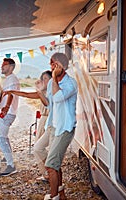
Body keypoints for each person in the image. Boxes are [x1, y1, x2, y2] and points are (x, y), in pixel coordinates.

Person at [2, 70, 52, 180]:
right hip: (43, 120)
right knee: (38, 148)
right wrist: (12, 92)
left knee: (39, 148)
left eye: (46, 79)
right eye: (42, 79)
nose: (43, 81)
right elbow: (26, 94)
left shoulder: (51, 93)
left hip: (49, 121)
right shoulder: (42, 92)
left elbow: (47, 103)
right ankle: (46, 173)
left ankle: (49, 173)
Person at [42, 53, 78, 200]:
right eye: (51, 64)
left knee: (50, 166)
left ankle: (53, 196)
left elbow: (57, 98)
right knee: (55, 164)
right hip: (55, 127)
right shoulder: (51, 83)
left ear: (63, 66)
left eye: (55, 64)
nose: (52, 67)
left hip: (65, 129)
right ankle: (61, 194)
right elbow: (50, 103)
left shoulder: (71, 83)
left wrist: (54, 77)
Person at [0, 57, 20, 176]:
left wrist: (6, 108)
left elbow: (10, 94)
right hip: (8, 111)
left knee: (0, 138)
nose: (2, 66)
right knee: (4, 137)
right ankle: (7, 158)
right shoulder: (8, 79)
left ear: (11, 67)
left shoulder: (12, 79)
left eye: (4, 65)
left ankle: (11, 166)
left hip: (8, 112)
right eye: (2, 64)